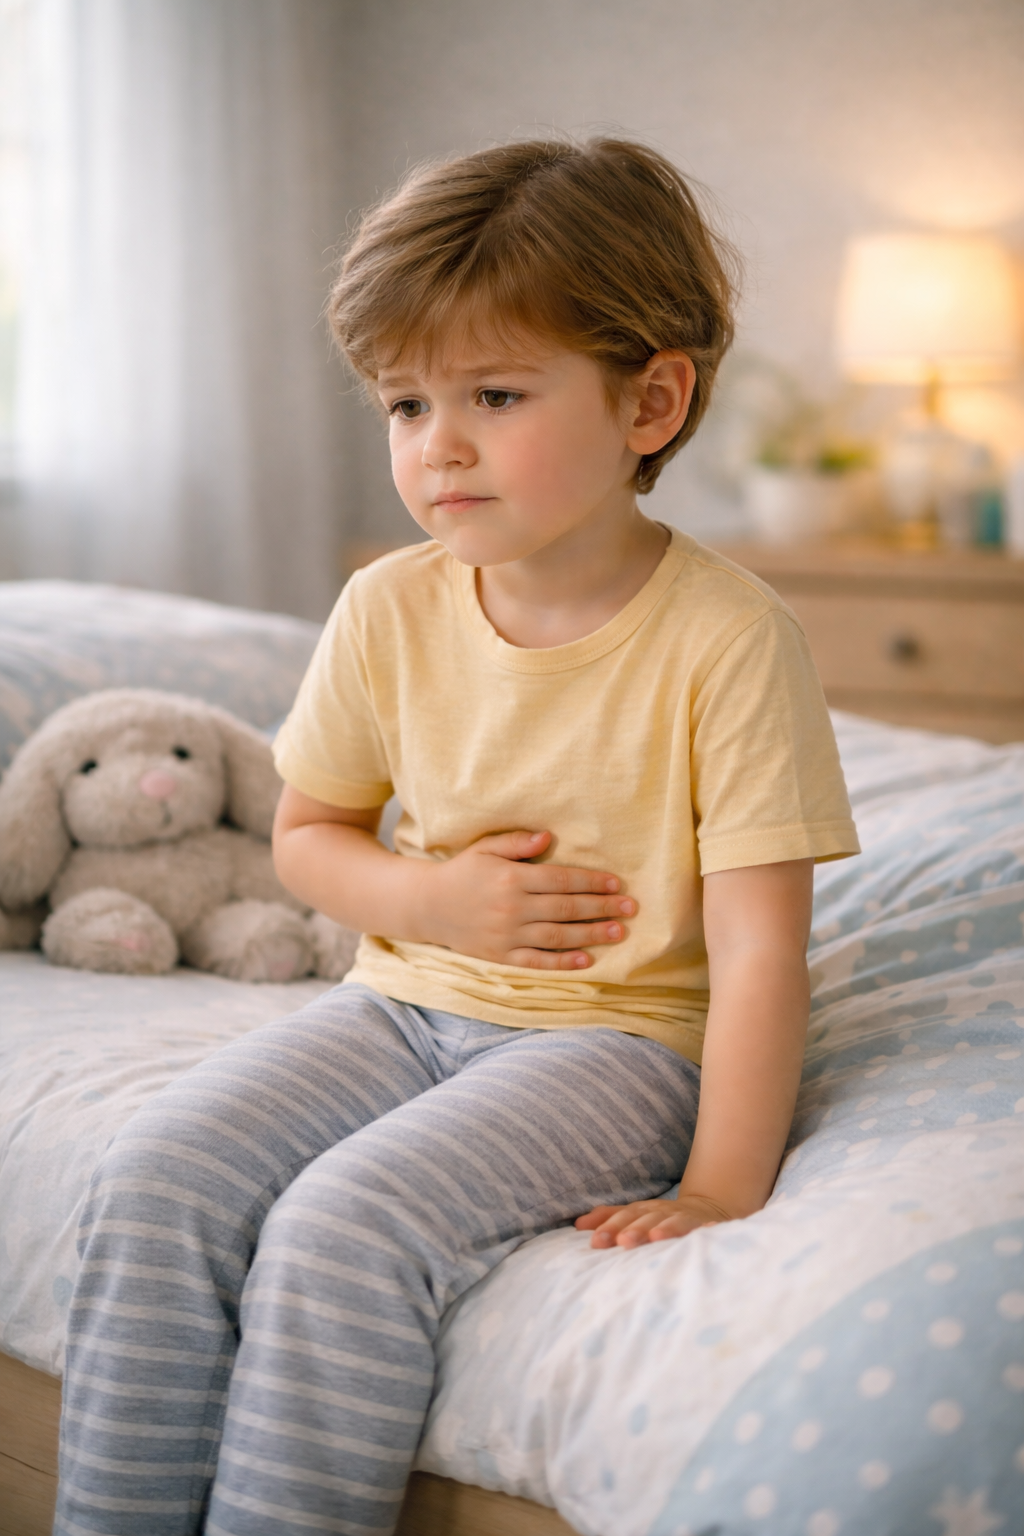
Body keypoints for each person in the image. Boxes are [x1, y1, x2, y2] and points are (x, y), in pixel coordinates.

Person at [55, 138, 859, 1536]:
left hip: (619, 1043)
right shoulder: (387, 608)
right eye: (407, 402)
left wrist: (724, 1183)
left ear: (651, 401)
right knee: (155, 1174)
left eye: (496, 394)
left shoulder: (730, 641)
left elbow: (759, 946)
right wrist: (433, 906)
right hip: (409, 1003)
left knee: (341, 1227)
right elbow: (307, 841)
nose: (440, 444)